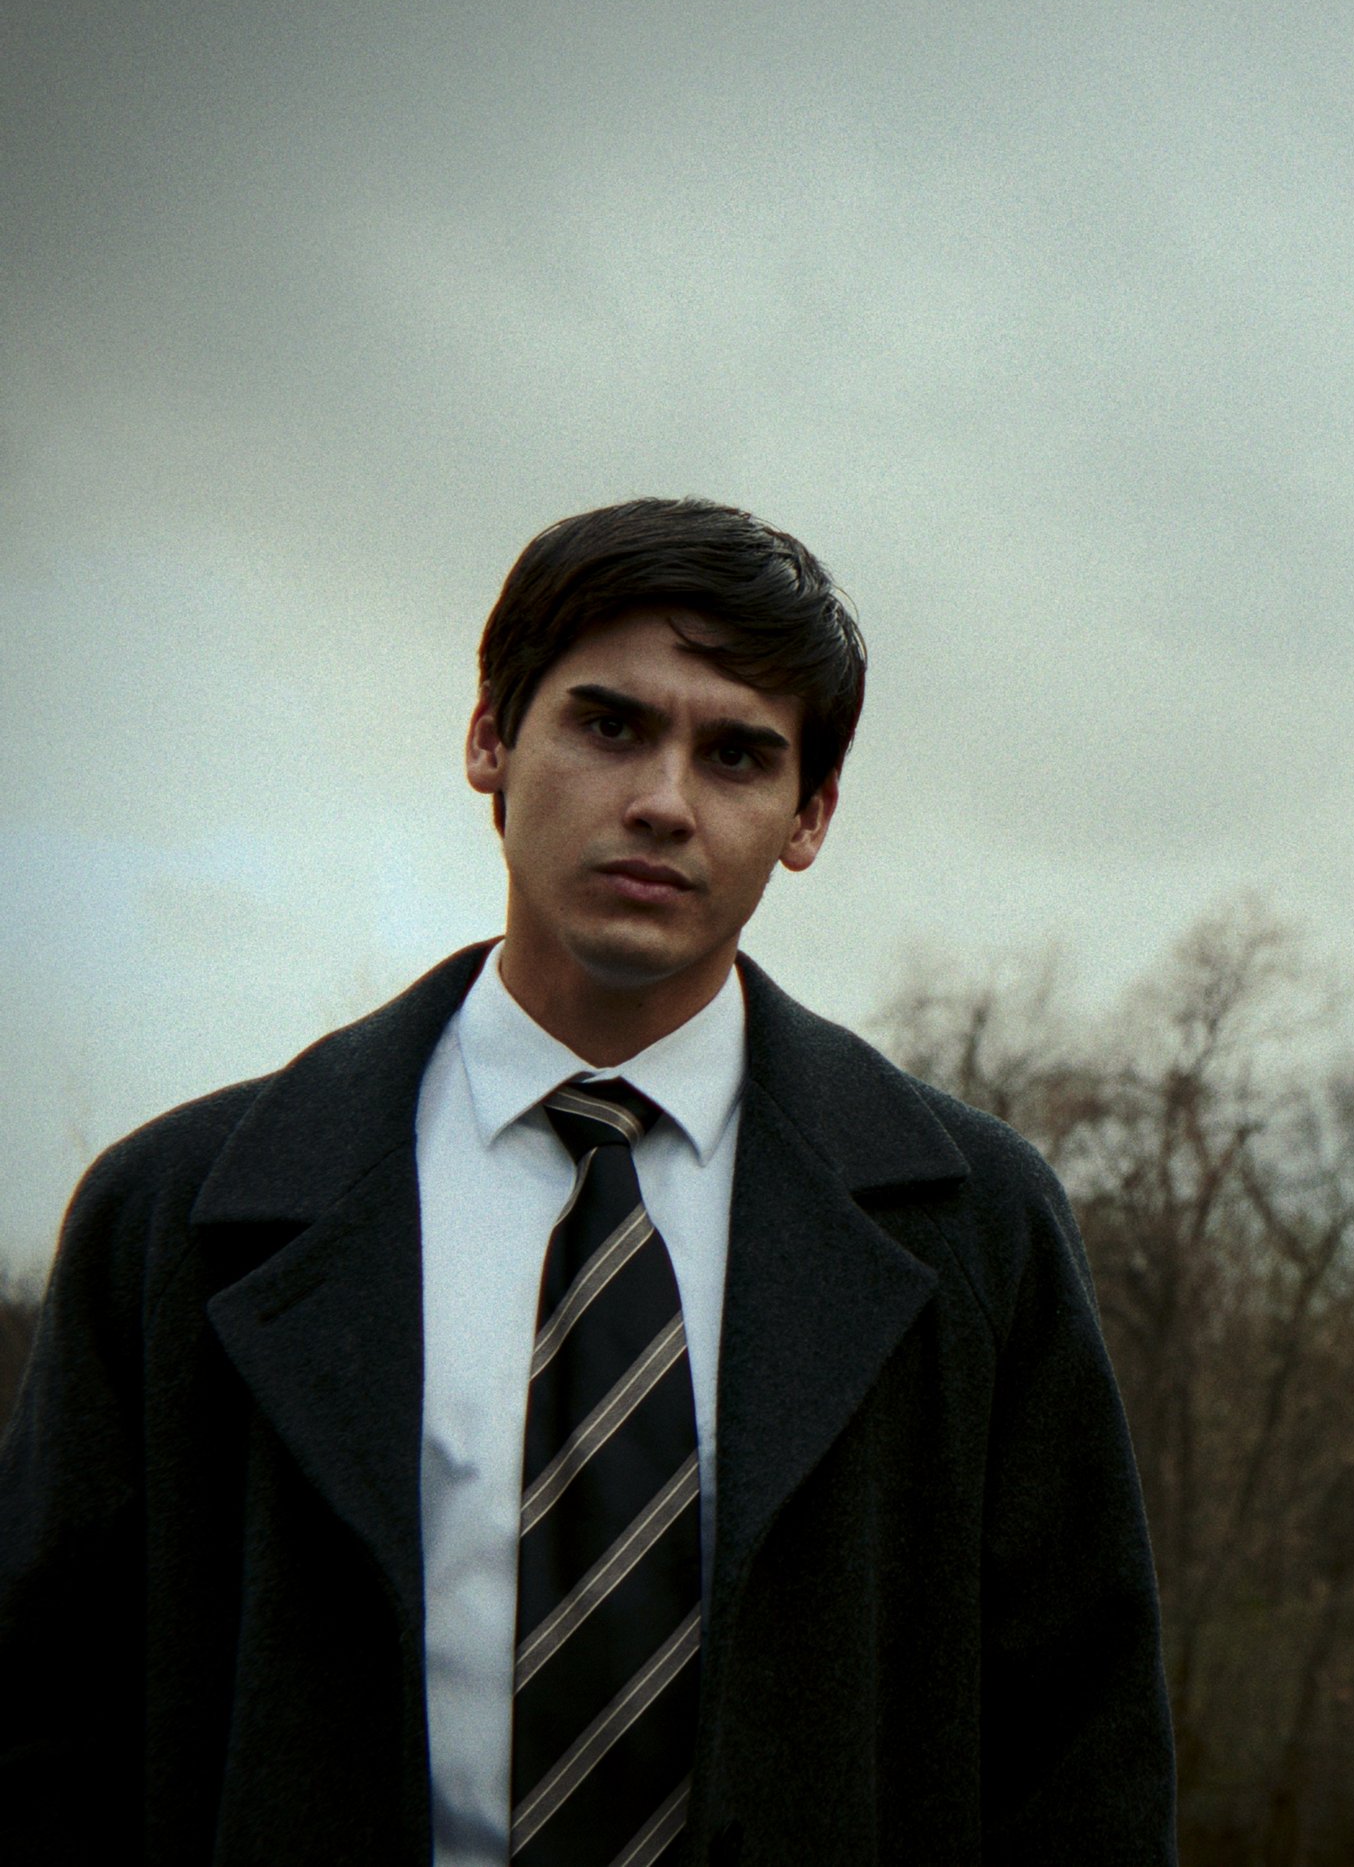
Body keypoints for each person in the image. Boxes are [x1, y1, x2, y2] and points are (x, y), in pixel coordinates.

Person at [0, 498, 1178, 1864]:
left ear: (811, 815)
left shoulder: (976, 1225)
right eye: (610, 724)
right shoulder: (179, 1220)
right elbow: (46, 1738)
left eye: (737, 755)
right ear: (490, 739)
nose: (664, 802)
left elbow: (1081, 1759)